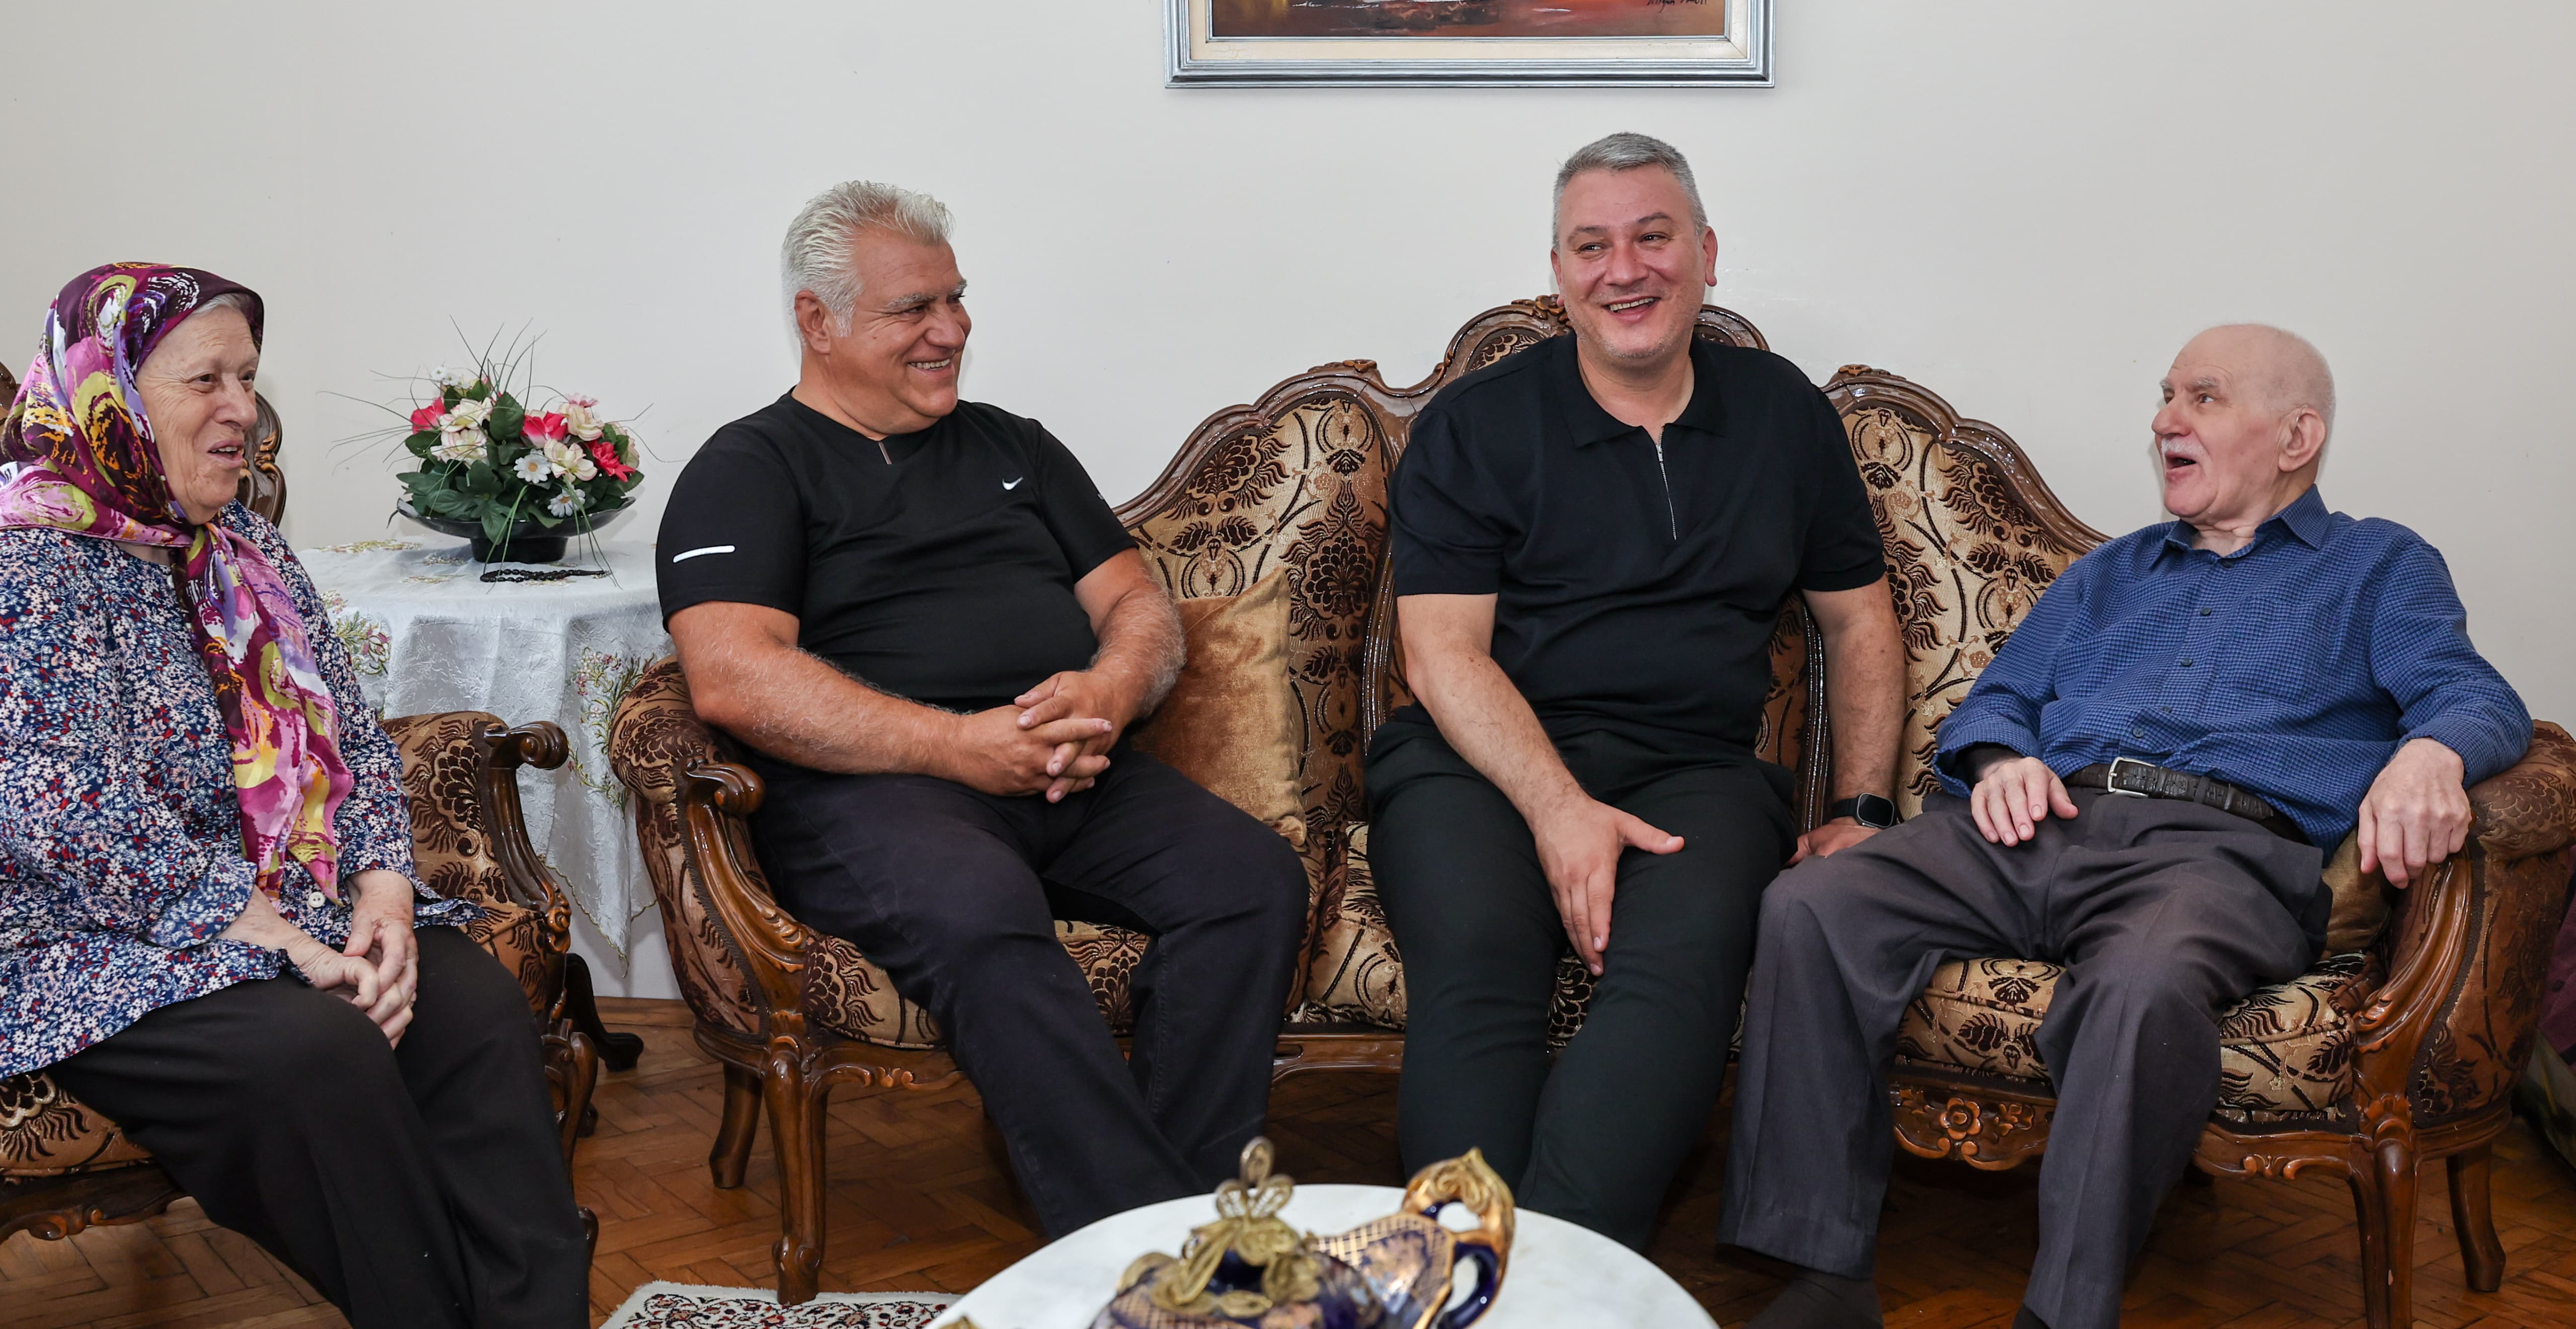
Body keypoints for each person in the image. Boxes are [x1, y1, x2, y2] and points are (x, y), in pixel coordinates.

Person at [1720, 324, 2533, 1329]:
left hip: (2220, 855)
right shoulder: (2112, 572)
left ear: (2296, 437)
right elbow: (1996, 701)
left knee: (2141, 986)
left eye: (2202, 397)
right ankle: (1824, 1280)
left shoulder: (2378, 566)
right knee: (1813, 903)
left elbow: (2476, 695)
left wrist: (2430, 753)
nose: (2164, 420)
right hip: (2042, 821)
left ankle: (2065, 1312)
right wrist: (2004, 760)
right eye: (2165, 395)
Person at [657, 181, 1308, 1237]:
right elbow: (732, 674)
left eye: (955, 299)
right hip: (877, 793)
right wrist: (958, 745)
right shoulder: (750, 467)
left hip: (1066, 766)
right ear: (817, 321)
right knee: (981, 913)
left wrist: (1110, 689)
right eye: (913, 308)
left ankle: (1186, 1223)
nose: (951, 330)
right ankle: (1133, 1256)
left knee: (1252, 883)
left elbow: (1139, 604)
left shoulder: (1016, 447)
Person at [0, 264, 589, 1329]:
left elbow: (350, 738)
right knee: (318, 1055)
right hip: (84, 943)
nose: (243, 410)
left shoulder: (248, 550)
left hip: (277, 910)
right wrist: (289, 945)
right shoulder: (26, 563)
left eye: (249, 377)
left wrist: (385, 897)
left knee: (472, 1011)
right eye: (206, 380)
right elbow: (68, 815)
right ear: (108, 395)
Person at [1369, 132, 1908, 1249]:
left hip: (1694, 771)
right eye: (1592, 246)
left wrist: (1859, 808)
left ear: (1705, 253)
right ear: (1558, 272)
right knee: (1478, 952)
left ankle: (1552, 1280)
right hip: (1476, 764)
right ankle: (1461, 1266)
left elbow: (1859, 621)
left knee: (1680, 967)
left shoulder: (1783, 414)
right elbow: (1443, 656)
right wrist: (1558, 807)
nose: (1625, 270)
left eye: (1653, 237)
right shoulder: (1475, 424)